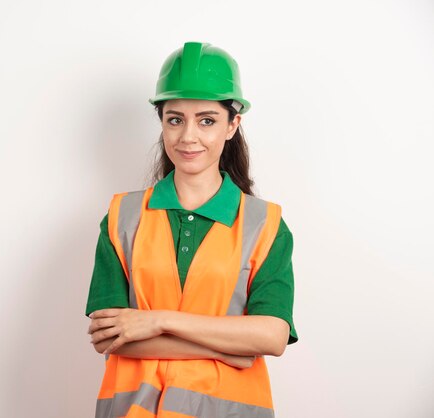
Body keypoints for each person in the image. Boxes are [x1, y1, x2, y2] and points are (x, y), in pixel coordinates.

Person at [85, 41, 298, 418]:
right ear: (162, 122)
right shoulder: (123, 216)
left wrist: (157, 320)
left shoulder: (265, 225)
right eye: (175, 119)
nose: (188, 137)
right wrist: (227, 346)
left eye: (207, 120)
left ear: (233, 124)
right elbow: (110, 335)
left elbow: (272, 336)